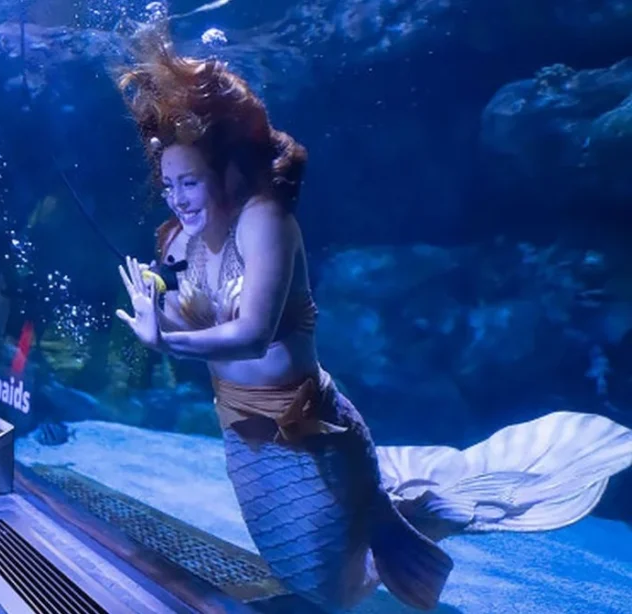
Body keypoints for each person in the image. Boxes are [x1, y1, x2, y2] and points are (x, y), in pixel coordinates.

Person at [113, 25, 632, 613]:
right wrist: (163, 316)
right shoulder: (184, 239)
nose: (178, 198)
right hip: (247, 443)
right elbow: (204, 323)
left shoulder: (266, 221)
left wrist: (167, 341)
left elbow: (254, 333)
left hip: (312, 439)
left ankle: (405, 515)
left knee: (336, 585)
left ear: (228, 169)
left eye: (191, 182)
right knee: (309, 583)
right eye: (170, 184)